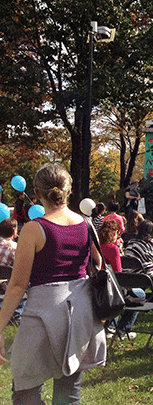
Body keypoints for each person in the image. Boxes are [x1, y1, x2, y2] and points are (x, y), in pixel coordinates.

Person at [0, 163, 106, 404]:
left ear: (37, 194)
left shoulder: (34, 229)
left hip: (42, 314)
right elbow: (97, 262)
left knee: (25, 390)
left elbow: (17, 285)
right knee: (68, 393)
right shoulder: (86, 224)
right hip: (79, 313)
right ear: (68, 192)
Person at [0, 218, 25, 325]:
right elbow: (20, 268)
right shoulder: (15, 248)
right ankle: (16, 315)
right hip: (5, 284)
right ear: (14, 232)